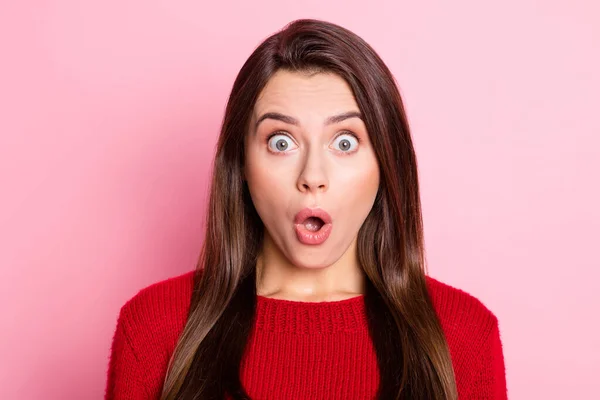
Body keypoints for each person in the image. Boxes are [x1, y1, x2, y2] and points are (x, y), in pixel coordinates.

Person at [105, 19, 507, 400]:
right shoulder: (154, 330)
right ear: (241, 163)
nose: (313, 175)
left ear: (386, 163)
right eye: (281, 141)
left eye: (345, 142)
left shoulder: (463, 336)